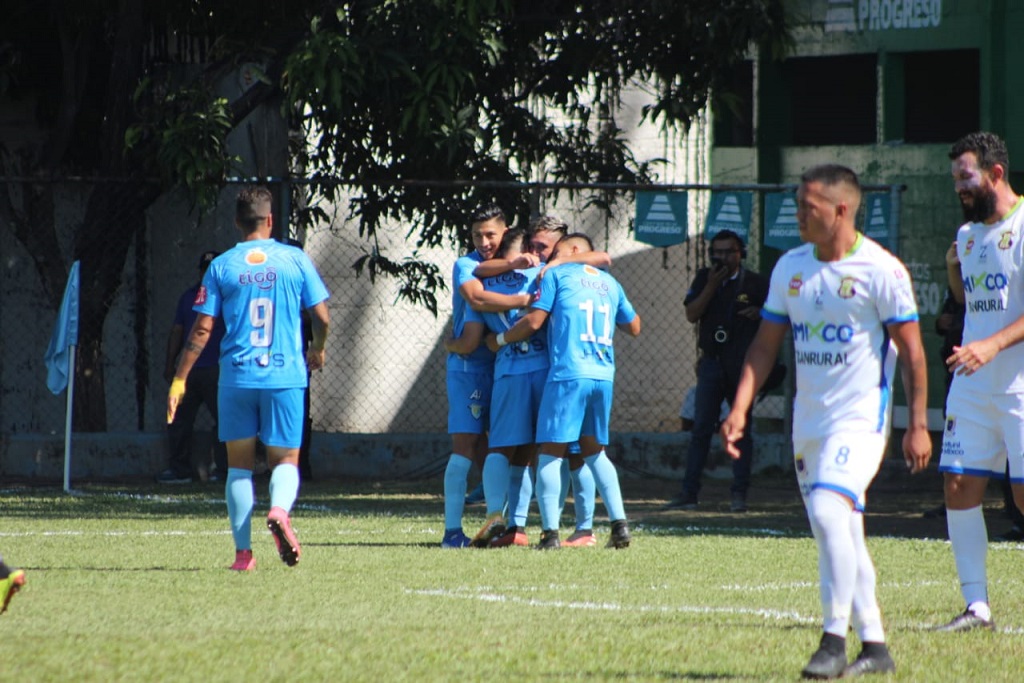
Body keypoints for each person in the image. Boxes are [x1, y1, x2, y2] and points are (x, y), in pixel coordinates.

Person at [720, 164, 930, 678]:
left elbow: (913, 354)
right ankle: (876, 647)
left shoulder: (882, 271)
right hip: (807, 424)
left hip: (859, 422)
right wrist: (741, 408)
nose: (798, 215)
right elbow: (765, 345)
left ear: (841, 209)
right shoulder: (791, 266)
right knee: (838, 529)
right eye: (796, 205)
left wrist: (917, 423)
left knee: (830, 511)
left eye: (806, 207)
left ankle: (833, 642)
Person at [168, 185, 330, 571]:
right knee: (286, 461)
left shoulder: (222, 265)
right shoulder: (294, 259)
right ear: (270, 220)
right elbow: (321, 316)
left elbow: (203, 329)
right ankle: (278, 510)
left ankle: (243, 556)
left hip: (236, 378)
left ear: (238, 222)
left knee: (238, 467)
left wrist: (179, 379)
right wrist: (318, 348)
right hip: (284, 376)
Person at [486, 233, 641, 549]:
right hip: (603, 374)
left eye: (556, 252)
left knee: (550, 452)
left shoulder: (556, 274)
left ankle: (550, 534)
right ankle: (619, 525)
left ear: (573, 251)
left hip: (568, 373)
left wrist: (499, 340)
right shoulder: (610, 284)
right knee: (595, 452)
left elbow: (533, 322)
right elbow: (635, 326)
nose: (550, 258)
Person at [937, 131, 1024, 631]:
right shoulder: (968, 236)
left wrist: (992, 345)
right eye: (954, 179)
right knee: (958, 484)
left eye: (965, 177)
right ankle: (977, 607)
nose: (958, 187)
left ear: (996, 173)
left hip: (1017, 384)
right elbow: (978, 305)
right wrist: (955, 275)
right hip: (972, 384)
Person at [440, 204, 531, 549]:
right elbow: (475, 306)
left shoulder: (527, 267)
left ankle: (505, 524)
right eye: (477, 234)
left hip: (503, 367)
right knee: (464, 446)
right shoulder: (467, 265)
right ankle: (452, 532)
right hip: (469, 368)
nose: (484, 241)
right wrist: (522, 297)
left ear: (505, 232)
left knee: (504, 445)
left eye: (491, 234)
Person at [665, 229, 768, 513]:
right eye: (717, 252)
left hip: (742, 364)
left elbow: (776, 316)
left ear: (740, 253)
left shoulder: (755, 283)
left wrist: (758, 312)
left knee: (741, 430)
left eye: (728, 252)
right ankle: (689, 493)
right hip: (711, 363)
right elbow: (691, 314)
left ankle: (739, 494)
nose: (722, 258)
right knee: (700, 430)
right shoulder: (704, 278)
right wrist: (711, 286)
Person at [158, 250, 227, 484]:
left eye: (212, 268)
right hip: (188, 370)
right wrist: (171, 364)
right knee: (177, 417)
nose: (207, 273)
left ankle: (224, 469)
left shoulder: (227, 297)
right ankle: (179, 469)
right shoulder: (188, 297)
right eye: (204, 268)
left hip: (217, 370)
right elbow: (177, 331)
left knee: (225, 420)